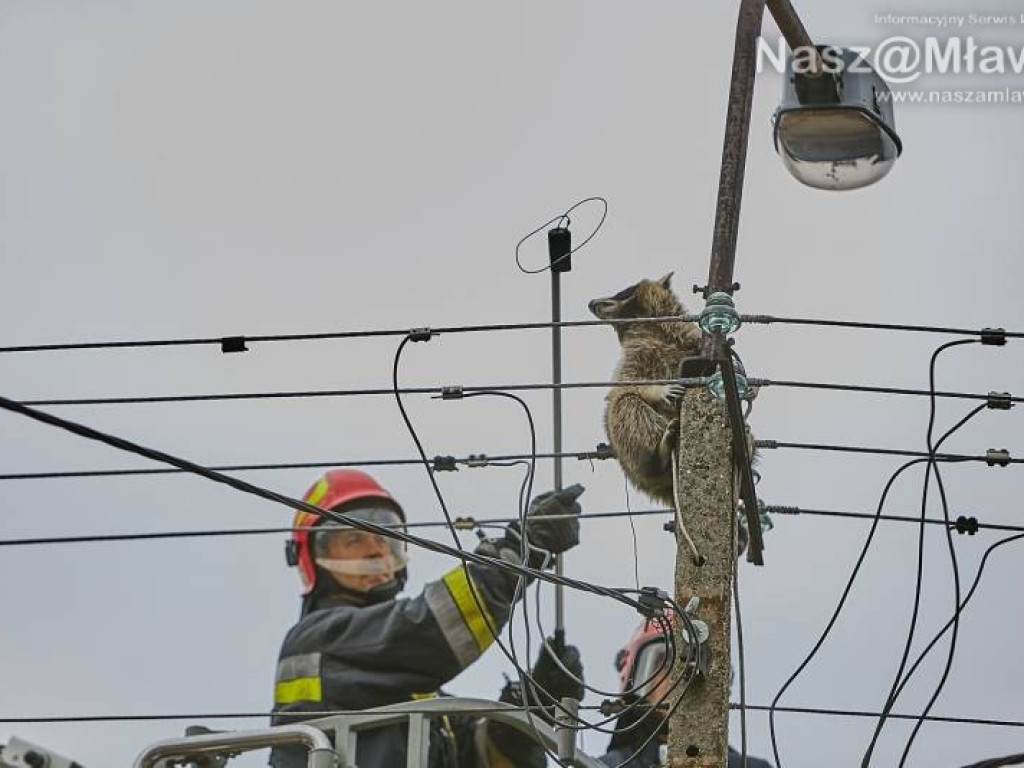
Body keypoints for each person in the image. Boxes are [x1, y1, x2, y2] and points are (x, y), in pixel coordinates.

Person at [269, 469, 586, 768]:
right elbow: (431, 626)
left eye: (384, 538)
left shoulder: (406, 684)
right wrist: (521, 549)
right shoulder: (318, 639)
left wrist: (529, 709)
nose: (375, 552)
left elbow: (478, 754)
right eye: (354, 540)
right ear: (311, 558)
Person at [600, 613, 773, 768]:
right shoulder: (604, 766)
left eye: (694, 667)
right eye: (665, 664)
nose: (678, 679)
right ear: (637, 680)